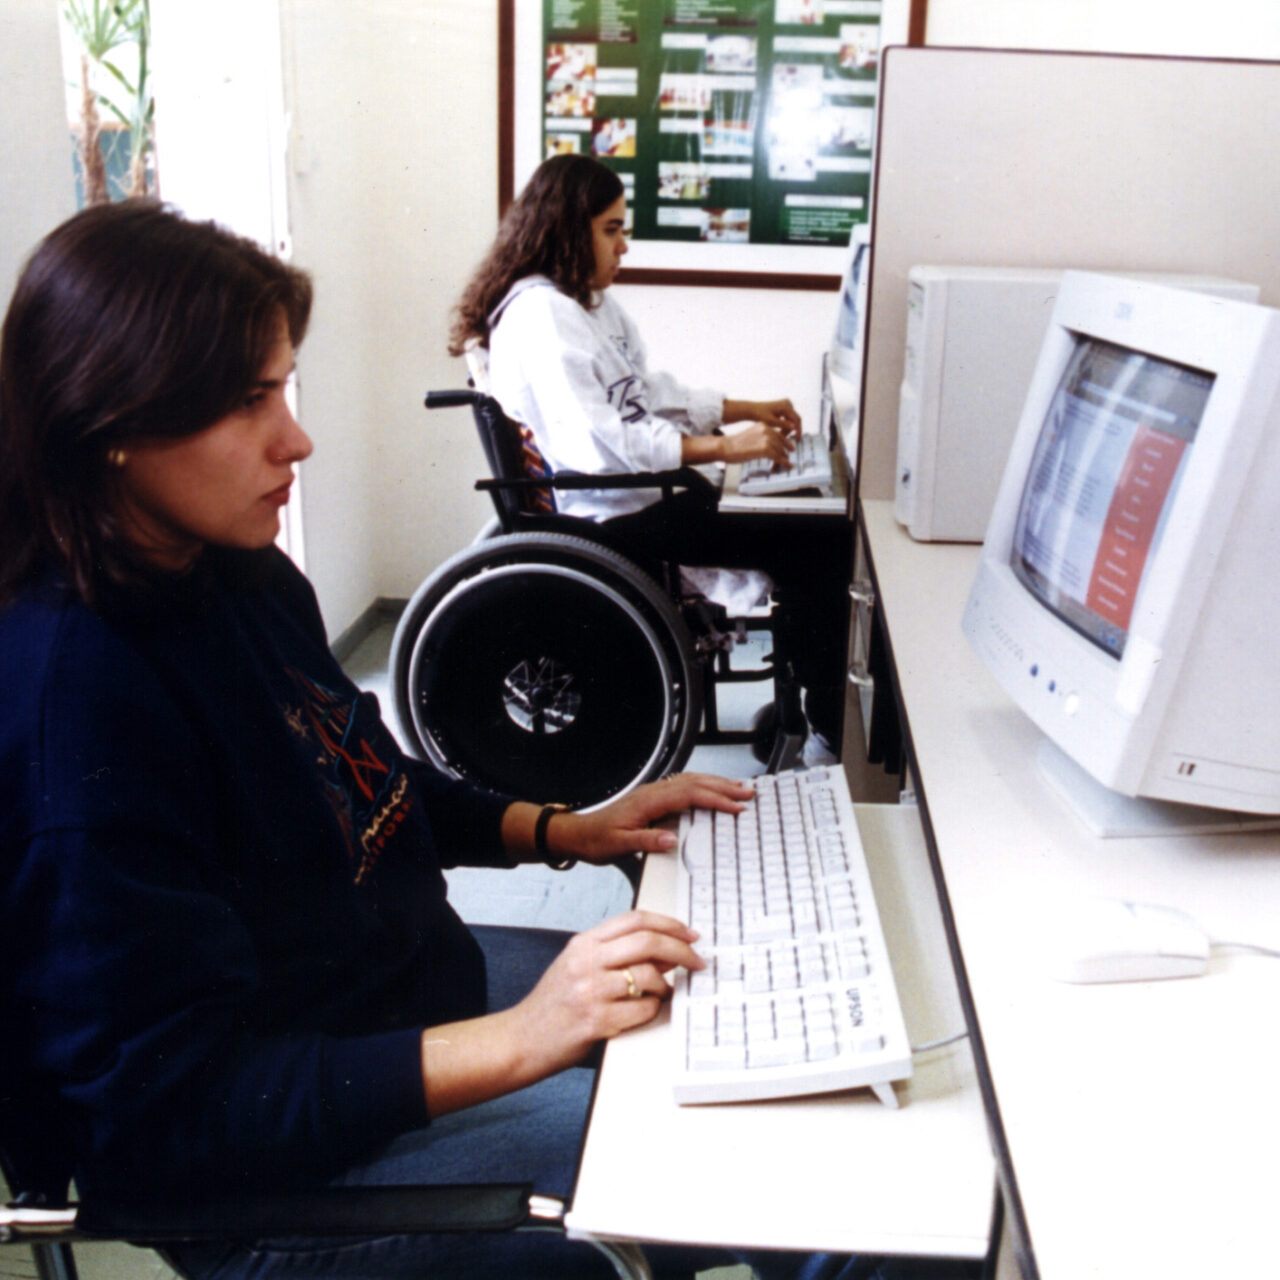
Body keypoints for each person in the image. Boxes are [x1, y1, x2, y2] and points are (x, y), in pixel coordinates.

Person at [0, 201, 946, 1280]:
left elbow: (352, 778)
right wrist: (525, 1034)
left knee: (764, 1041)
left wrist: (563, 828)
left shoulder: (231, 570)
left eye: (284, 388)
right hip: (277, 1184)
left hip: (393, 998)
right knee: (817, 1176)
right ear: (110, 420)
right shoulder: (72, 702)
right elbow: (175, 1108)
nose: (295, 438)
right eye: (249, 401)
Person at [449, 153, 851, 754]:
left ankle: (803, 698)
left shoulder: (582, 304)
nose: (624, 247)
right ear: (566, 227)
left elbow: (647, 395)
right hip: (611, 515)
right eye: (611, 230)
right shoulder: (542, 316)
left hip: (637, 496)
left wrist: (742, 408)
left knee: (800, 520)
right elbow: (602, 442)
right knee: (817, 537)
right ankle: (826, 718)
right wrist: (723, 447)